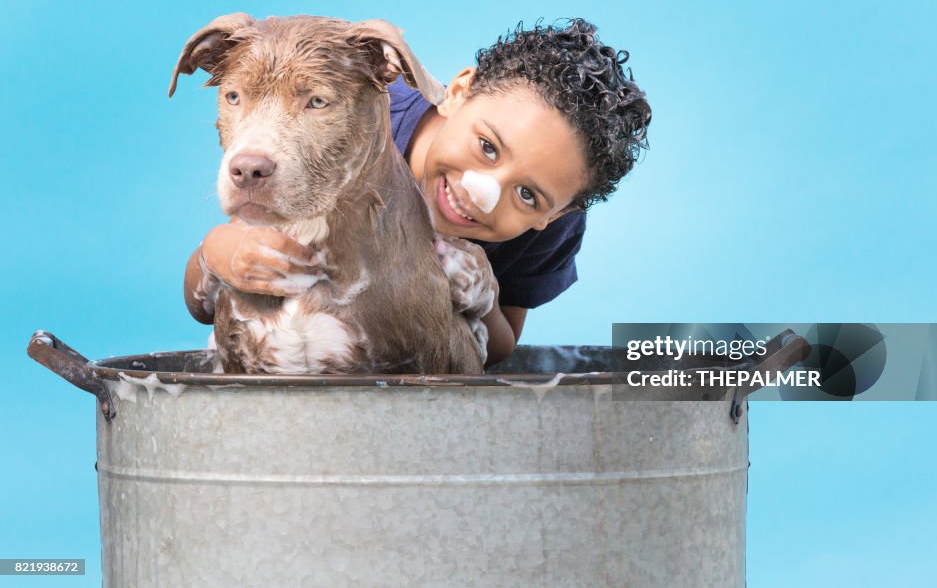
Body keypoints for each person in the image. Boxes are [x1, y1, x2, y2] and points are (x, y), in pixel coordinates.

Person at [183, 18, 651, 365]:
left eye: (527, 196)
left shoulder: (554, 226)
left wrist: (481, 291)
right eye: (487, 147)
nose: (482, 193)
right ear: (458, 92)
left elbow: (502, 348)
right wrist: (216, 253)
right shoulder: (357, 126)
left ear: (558, 213)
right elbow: (207, 301)